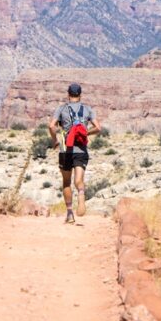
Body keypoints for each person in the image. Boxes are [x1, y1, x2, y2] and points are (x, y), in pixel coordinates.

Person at [48, 82, 101, 224]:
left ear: (68, 94)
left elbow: (51, 126)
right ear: (80, 95)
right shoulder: (87, 109)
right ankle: (82, 196)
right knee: (79, 180)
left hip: (66, 150)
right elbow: (98, 128)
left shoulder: (61, 109)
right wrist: (85, 133)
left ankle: (70, 213)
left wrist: (55, 140)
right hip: (81, 150)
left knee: (66, 182)